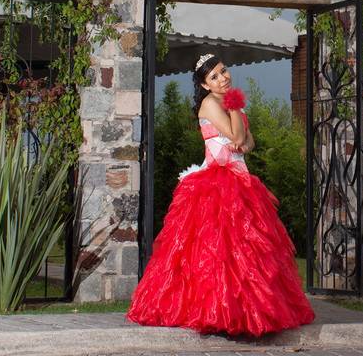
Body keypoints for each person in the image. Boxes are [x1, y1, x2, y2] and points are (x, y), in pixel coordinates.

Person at [126, 53, 315, 336]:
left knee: (248, 252)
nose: (223, 78)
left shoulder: (224, 102)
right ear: (204, 85)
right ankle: (217, 312)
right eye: (214, 76)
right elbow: (239, 138)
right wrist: (237, 108)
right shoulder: (210, 104)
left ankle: (246, 311)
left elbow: (249, 143)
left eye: (223, 71)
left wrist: (240, 130)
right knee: (215, 252)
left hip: (240, 179)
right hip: (217, 183)